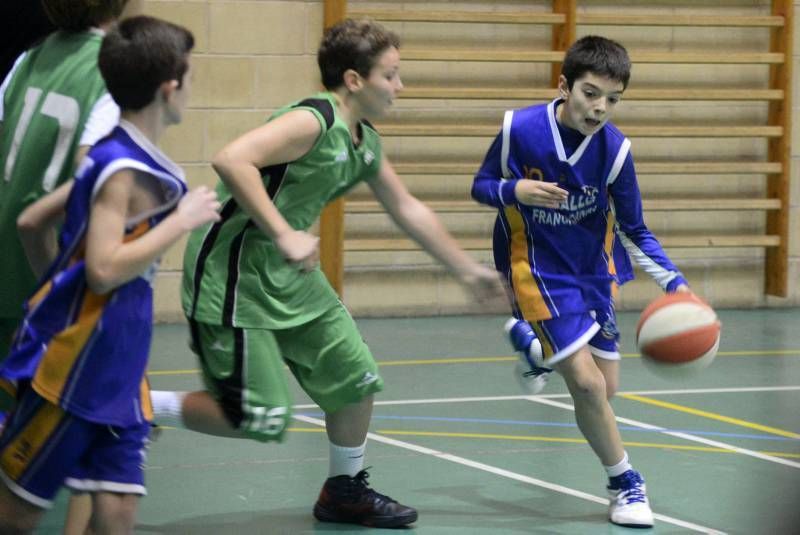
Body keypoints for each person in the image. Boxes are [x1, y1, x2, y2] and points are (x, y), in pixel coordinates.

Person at [149, 17, 504, 529]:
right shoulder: (314, 120)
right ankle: (138, 407)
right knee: (259, 417)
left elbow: (406, 208)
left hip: (291, 275)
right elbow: (232, 159)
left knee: (354, 380)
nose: (400, 87)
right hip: (234, 272)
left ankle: (344, 490)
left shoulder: (364, 142)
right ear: (355, 80)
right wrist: (284, 233)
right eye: (391, 75)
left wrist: (466, 270)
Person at [0, 16, 221, 534]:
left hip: (120, 366)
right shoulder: (125, 170)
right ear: (170, 87)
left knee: (118, 511)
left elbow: (33, 222)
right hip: (75, 369)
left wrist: (54, 289)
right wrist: (180, 222)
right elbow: (101, 272)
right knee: (16, 516)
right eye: (189, 76)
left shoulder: (118, 157)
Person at [471, 35, 691, 528]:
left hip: (595, 269)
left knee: (604, 390)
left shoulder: (615, 151)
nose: (600, 108)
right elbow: (481, 185)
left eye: (612, 99)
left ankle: (533, 348)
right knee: (588, 387)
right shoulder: (520, 129)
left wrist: (676, 284)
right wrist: (515, 189)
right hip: (534, 265)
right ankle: (626, 484)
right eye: (591, 93)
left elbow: (633, 228)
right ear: (564, 85)